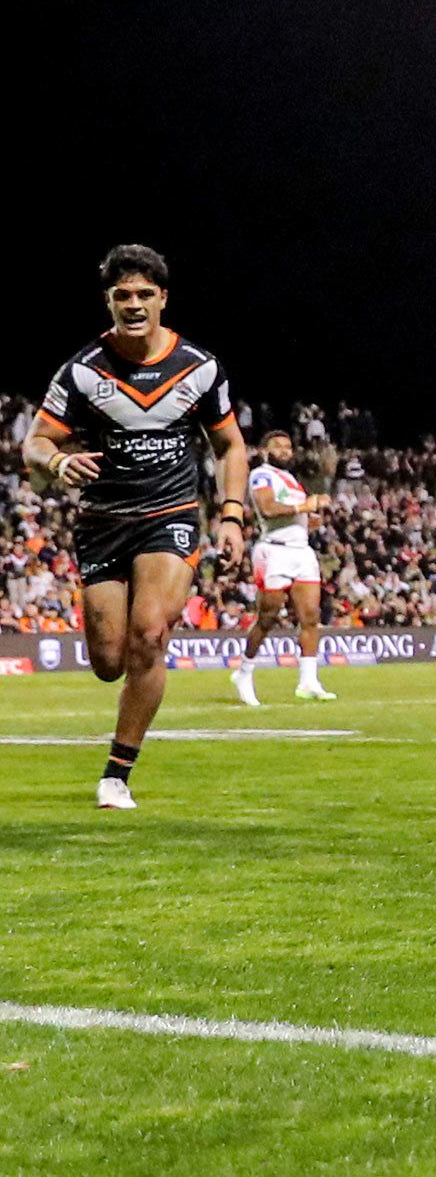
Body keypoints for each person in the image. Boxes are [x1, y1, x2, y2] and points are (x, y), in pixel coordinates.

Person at [24, 245, 251, 809]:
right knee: (108, 661)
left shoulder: (199, 367)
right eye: (122, 294)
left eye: (144, 294)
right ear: (107, 300)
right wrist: (57, 462)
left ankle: (116, 774)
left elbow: (230, 445)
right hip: (102, 522)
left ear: (163, 299)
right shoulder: (82, 371)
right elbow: (34, 442)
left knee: (151, 634)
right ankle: (124, 696)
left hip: (170, 515)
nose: (133, 304)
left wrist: (230, 515)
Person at [232, 428, 335, 705]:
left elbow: (295, 513)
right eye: (278, 446)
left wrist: (311, 520)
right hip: (274, 551)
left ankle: (308, 681)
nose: (284, 451)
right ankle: (244, 671)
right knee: (268, 616)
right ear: (265, 451)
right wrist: (304, 508)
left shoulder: (290, 479)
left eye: (288, 447)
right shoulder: (262, 474)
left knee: (311, 616)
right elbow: (267, 508)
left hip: (301, 551)